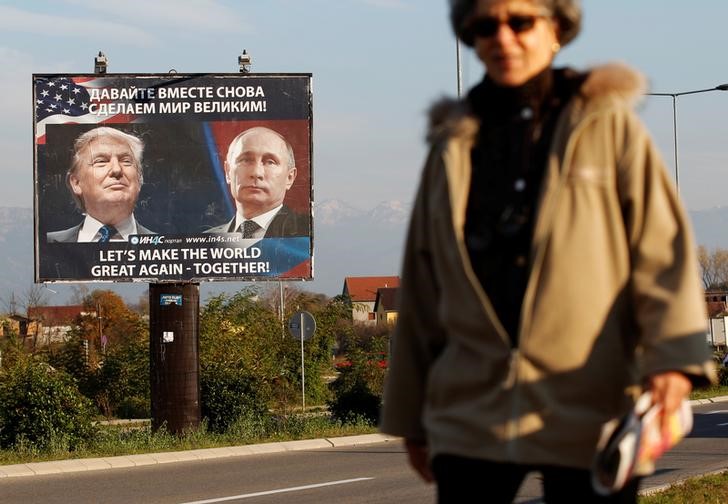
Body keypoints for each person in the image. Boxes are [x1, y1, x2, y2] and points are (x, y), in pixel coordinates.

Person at [379, 1, 716, 502]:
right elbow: (422, 290)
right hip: (471, 406)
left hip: (591, 398)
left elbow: (661, 250)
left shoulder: (607, 127)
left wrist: (674, 361)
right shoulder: (451, 145)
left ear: (556, 28)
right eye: (486, 25)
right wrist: (410, 417)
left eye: (521, 21)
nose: (503, 37)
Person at [47, 126, 155, 242]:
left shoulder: (165, 245)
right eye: (101, 161)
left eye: (126, 161)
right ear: (76, 183)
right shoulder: (49, 244)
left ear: (139, 179)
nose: (117, 169)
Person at [205, 126, 309, 238]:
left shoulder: (309, 234)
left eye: (270, 162)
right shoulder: (205, 241)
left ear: (289, 178)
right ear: (228, 172)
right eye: (245, 160)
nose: (256, 173)